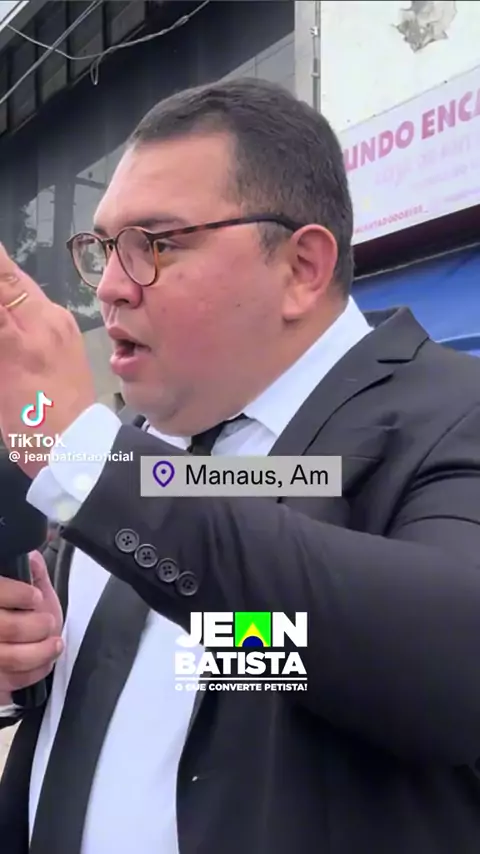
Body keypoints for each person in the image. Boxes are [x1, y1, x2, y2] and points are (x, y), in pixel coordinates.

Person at [0, 78, 480, 854]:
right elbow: (146, 677)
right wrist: (31, 663)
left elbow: (446, 672)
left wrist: (82, 455)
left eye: (156, 245)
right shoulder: (143, 452)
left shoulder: (449, 415)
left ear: (302, 267)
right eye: (104, 249)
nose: (111, 289)